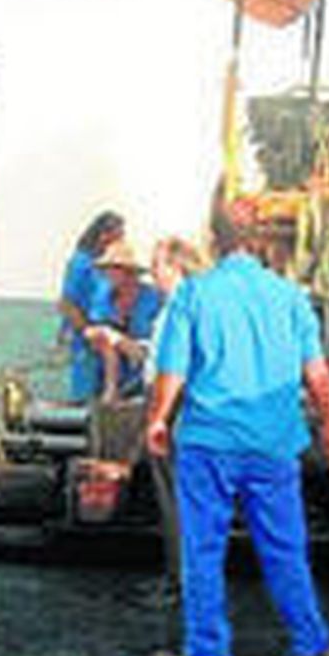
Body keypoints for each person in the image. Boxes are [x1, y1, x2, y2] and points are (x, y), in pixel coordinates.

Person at [144, 197, 329, 656]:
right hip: (273, 442)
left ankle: (208, 654)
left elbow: (171, 372)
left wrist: (156, 420)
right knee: (284, 546)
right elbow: (317, 374)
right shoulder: (290, 297)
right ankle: (311, 646)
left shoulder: (193, 296)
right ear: (259, 241)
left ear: (213, 241)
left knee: (203, 547)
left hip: (208, 442)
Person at [141, 236, 207, 611]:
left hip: (176, 410)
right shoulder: (181, 307)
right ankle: (177, 578)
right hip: (175, 408)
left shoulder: (183, 309)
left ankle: (180, 583)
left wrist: (160, 418)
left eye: (158, 266)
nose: (153, 274)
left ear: (177, 268)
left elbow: (177, 370)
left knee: (176, 503)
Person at [82, 238, 162, 401]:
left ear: (129, 271)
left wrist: (115, 338)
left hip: (147, 379)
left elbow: (149, 351)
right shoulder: (103, 297)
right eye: (107, 269)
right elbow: (96, 334)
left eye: (114, 269)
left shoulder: (154, 299)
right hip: (108, 377)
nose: (108, 274)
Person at [58, 210, 125, 401]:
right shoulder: (81, 262)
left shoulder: (108, 264)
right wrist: (86, 330)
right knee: (86, 389)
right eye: (117, 235)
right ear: (103, 235)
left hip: (109, 333)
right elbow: (67, 302)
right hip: (87, 335)